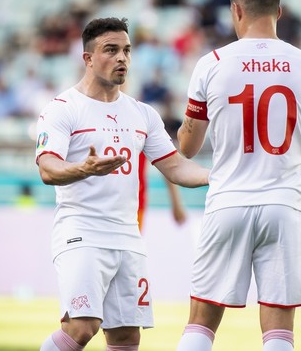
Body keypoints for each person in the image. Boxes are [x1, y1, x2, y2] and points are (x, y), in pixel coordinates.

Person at [175, 0, 301, 351]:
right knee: (279, 328)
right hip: (283, 205)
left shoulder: (212, 63)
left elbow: (187, 147)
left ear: (236, 10)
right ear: (280, 11)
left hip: (228, 200)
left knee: (202, 321)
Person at [35, 17, 209, 351]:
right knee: (82, 327)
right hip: (81, 230)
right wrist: (83, 168)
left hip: (128, 236)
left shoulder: (142, 114)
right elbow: (48, 168)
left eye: (127, 51)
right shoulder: (62, 109)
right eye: (111, 50)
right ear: (87, 58)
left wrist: (214, 177)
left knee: (127, 334)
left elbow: (175, 167)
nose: (122, 58)